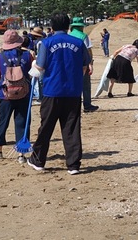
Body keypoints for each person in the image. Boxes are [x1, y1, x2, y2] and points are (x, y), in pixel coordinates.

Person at [26, 13, 90, 174]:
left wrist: (33, 66)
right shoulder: (78, 42)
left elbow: (39, 68)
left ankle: (38, 160)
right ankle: (73, 164)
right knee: (72, 128)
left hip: (52, 91)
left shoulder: (46, 43)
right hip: (73, 92)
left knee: (46, 127)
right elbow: (85, 67)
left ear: (52, 27)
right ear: (68, 27)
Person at [0, 30, 34, 163]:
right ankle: (21, 154)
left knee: (3, 122)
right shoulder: (28, 55)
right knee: (22, 123)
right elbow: (32, 73)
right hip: (24, 94)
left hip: (5, 95)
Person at [69, 17, 98, 113]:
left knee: (73, 85)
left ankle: (73, 106)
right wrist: (90, 63)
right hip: (82, 64)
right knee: (85, 85)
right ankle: (87, 105)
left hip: (70, 64)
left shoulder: (69, 35)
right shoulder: (83, 36)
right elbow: (88, 51)